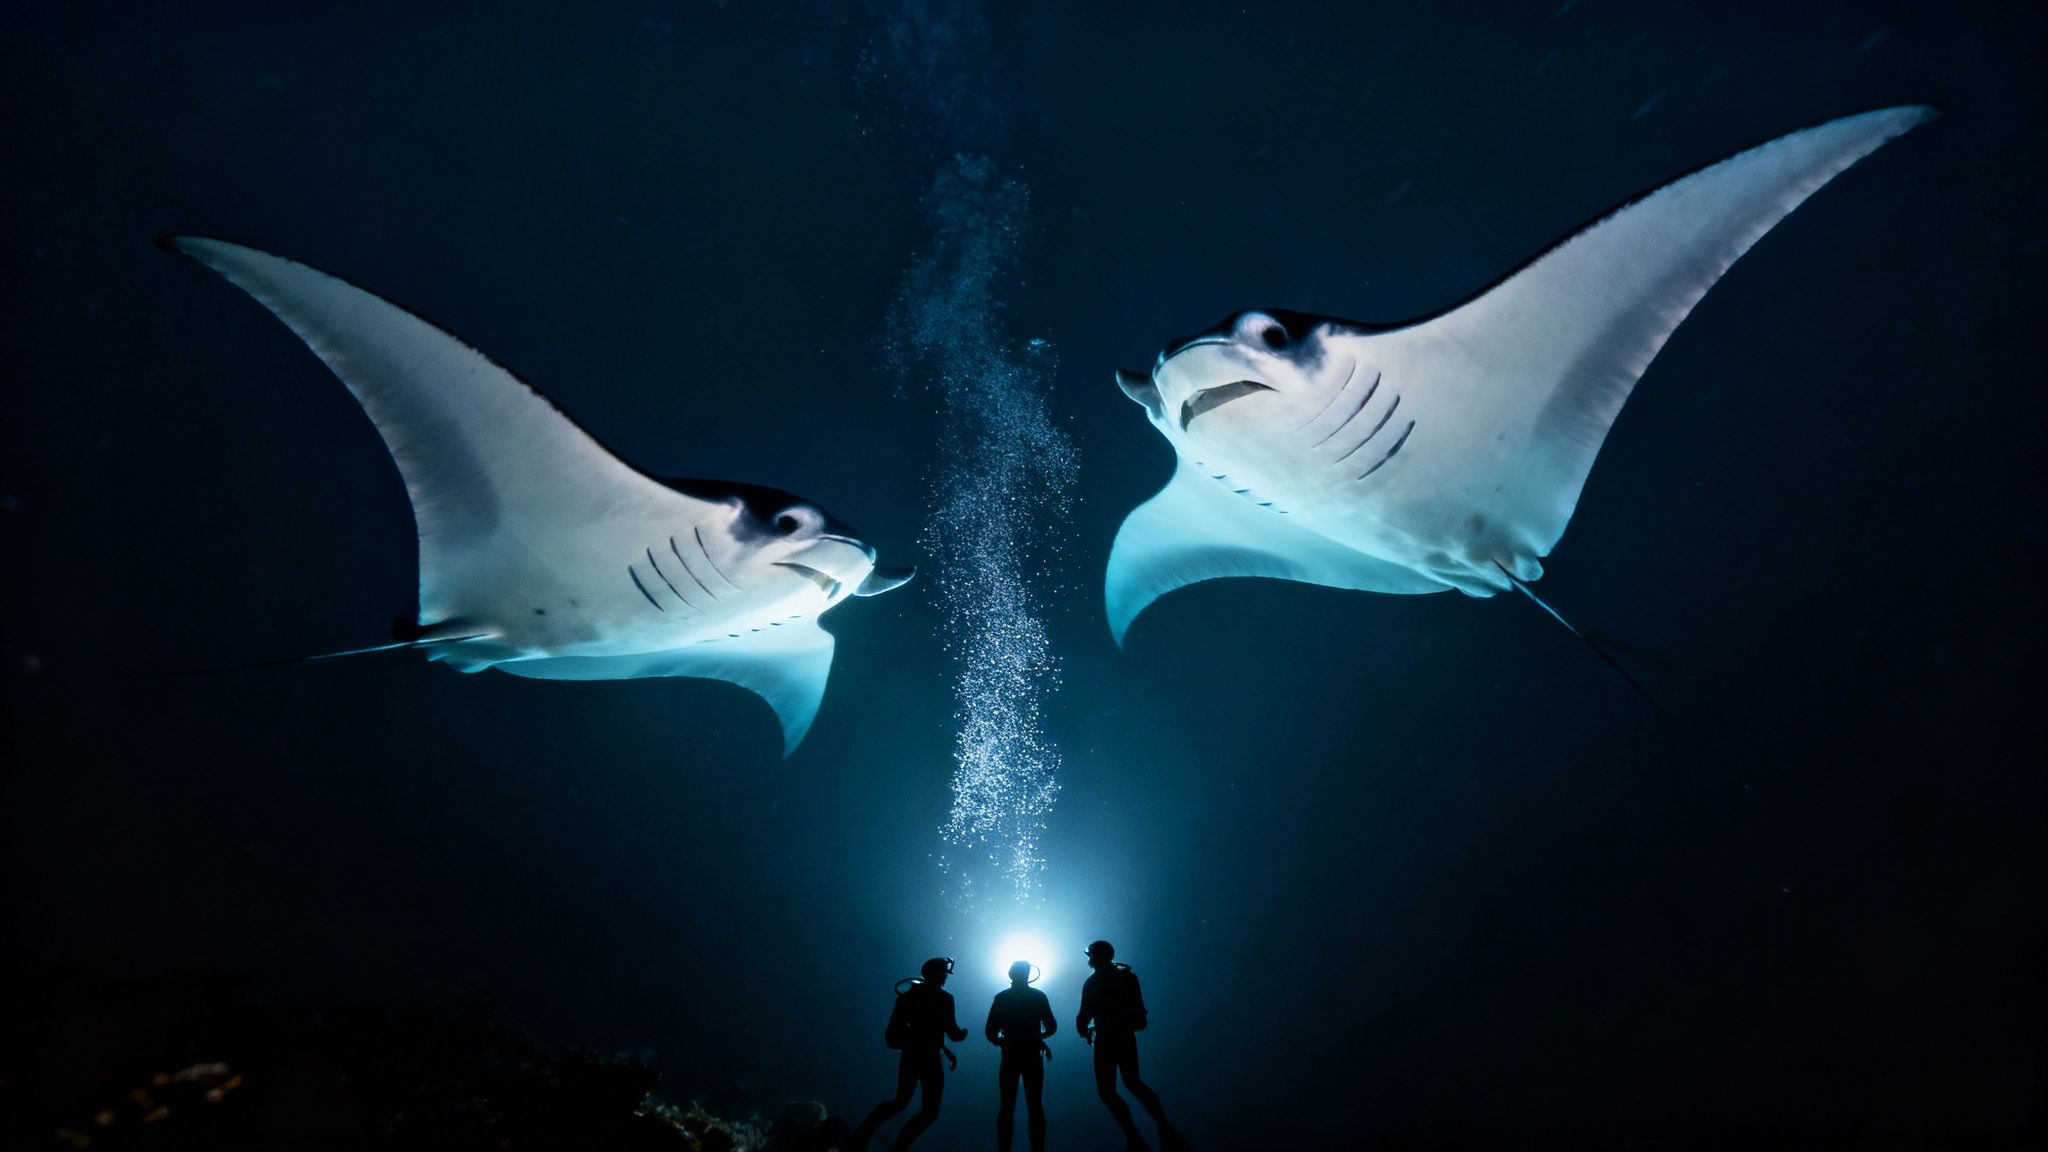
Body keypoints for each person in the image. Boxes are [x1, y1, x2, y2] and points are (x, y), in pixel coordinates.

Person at [1077, 940, 1187, 1151]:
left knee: (1107, 1091)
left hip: (1106, 1041)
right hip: (1126, 1037)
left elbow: (1083, 1017)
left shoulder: (1092, 983)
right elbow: (1139, 1014)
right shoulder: (1127, 977)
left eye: (1091, 955)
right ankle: (1163, 1125)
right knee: (1133, 1082)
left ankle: (1133, 1134)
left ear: (1095, 957)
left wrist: (1085, 1030)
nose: (1089, 959)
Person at [851, 957, 969, 1151]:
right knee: (930, 1110)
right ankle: (897, 1147)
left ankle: (862, 1134)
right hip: (930, 1059)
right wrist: (962, 1034)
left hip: (911, 1056)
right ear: (937, 974)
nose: (945, 978)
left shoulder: (909, 996)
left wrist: (942, 1048)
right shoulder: (945, 999)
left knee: (900, 1101)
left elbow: (898, 1029)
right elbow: (951, 1031)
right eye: (944, 974)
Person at [985, 959, 1056, 1152]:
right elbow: (1052, 1027)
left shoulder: (1002, 998)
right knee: (1035, 1105)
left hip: (1010, 1056)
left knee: (1007, 1105)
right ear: (1028, 974)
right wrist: (1036, 1038)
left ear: (1010, 974)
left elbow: (990, 1032)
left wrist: (1004, 1041)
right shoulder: (1038, 997)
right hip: (1033, 1056)